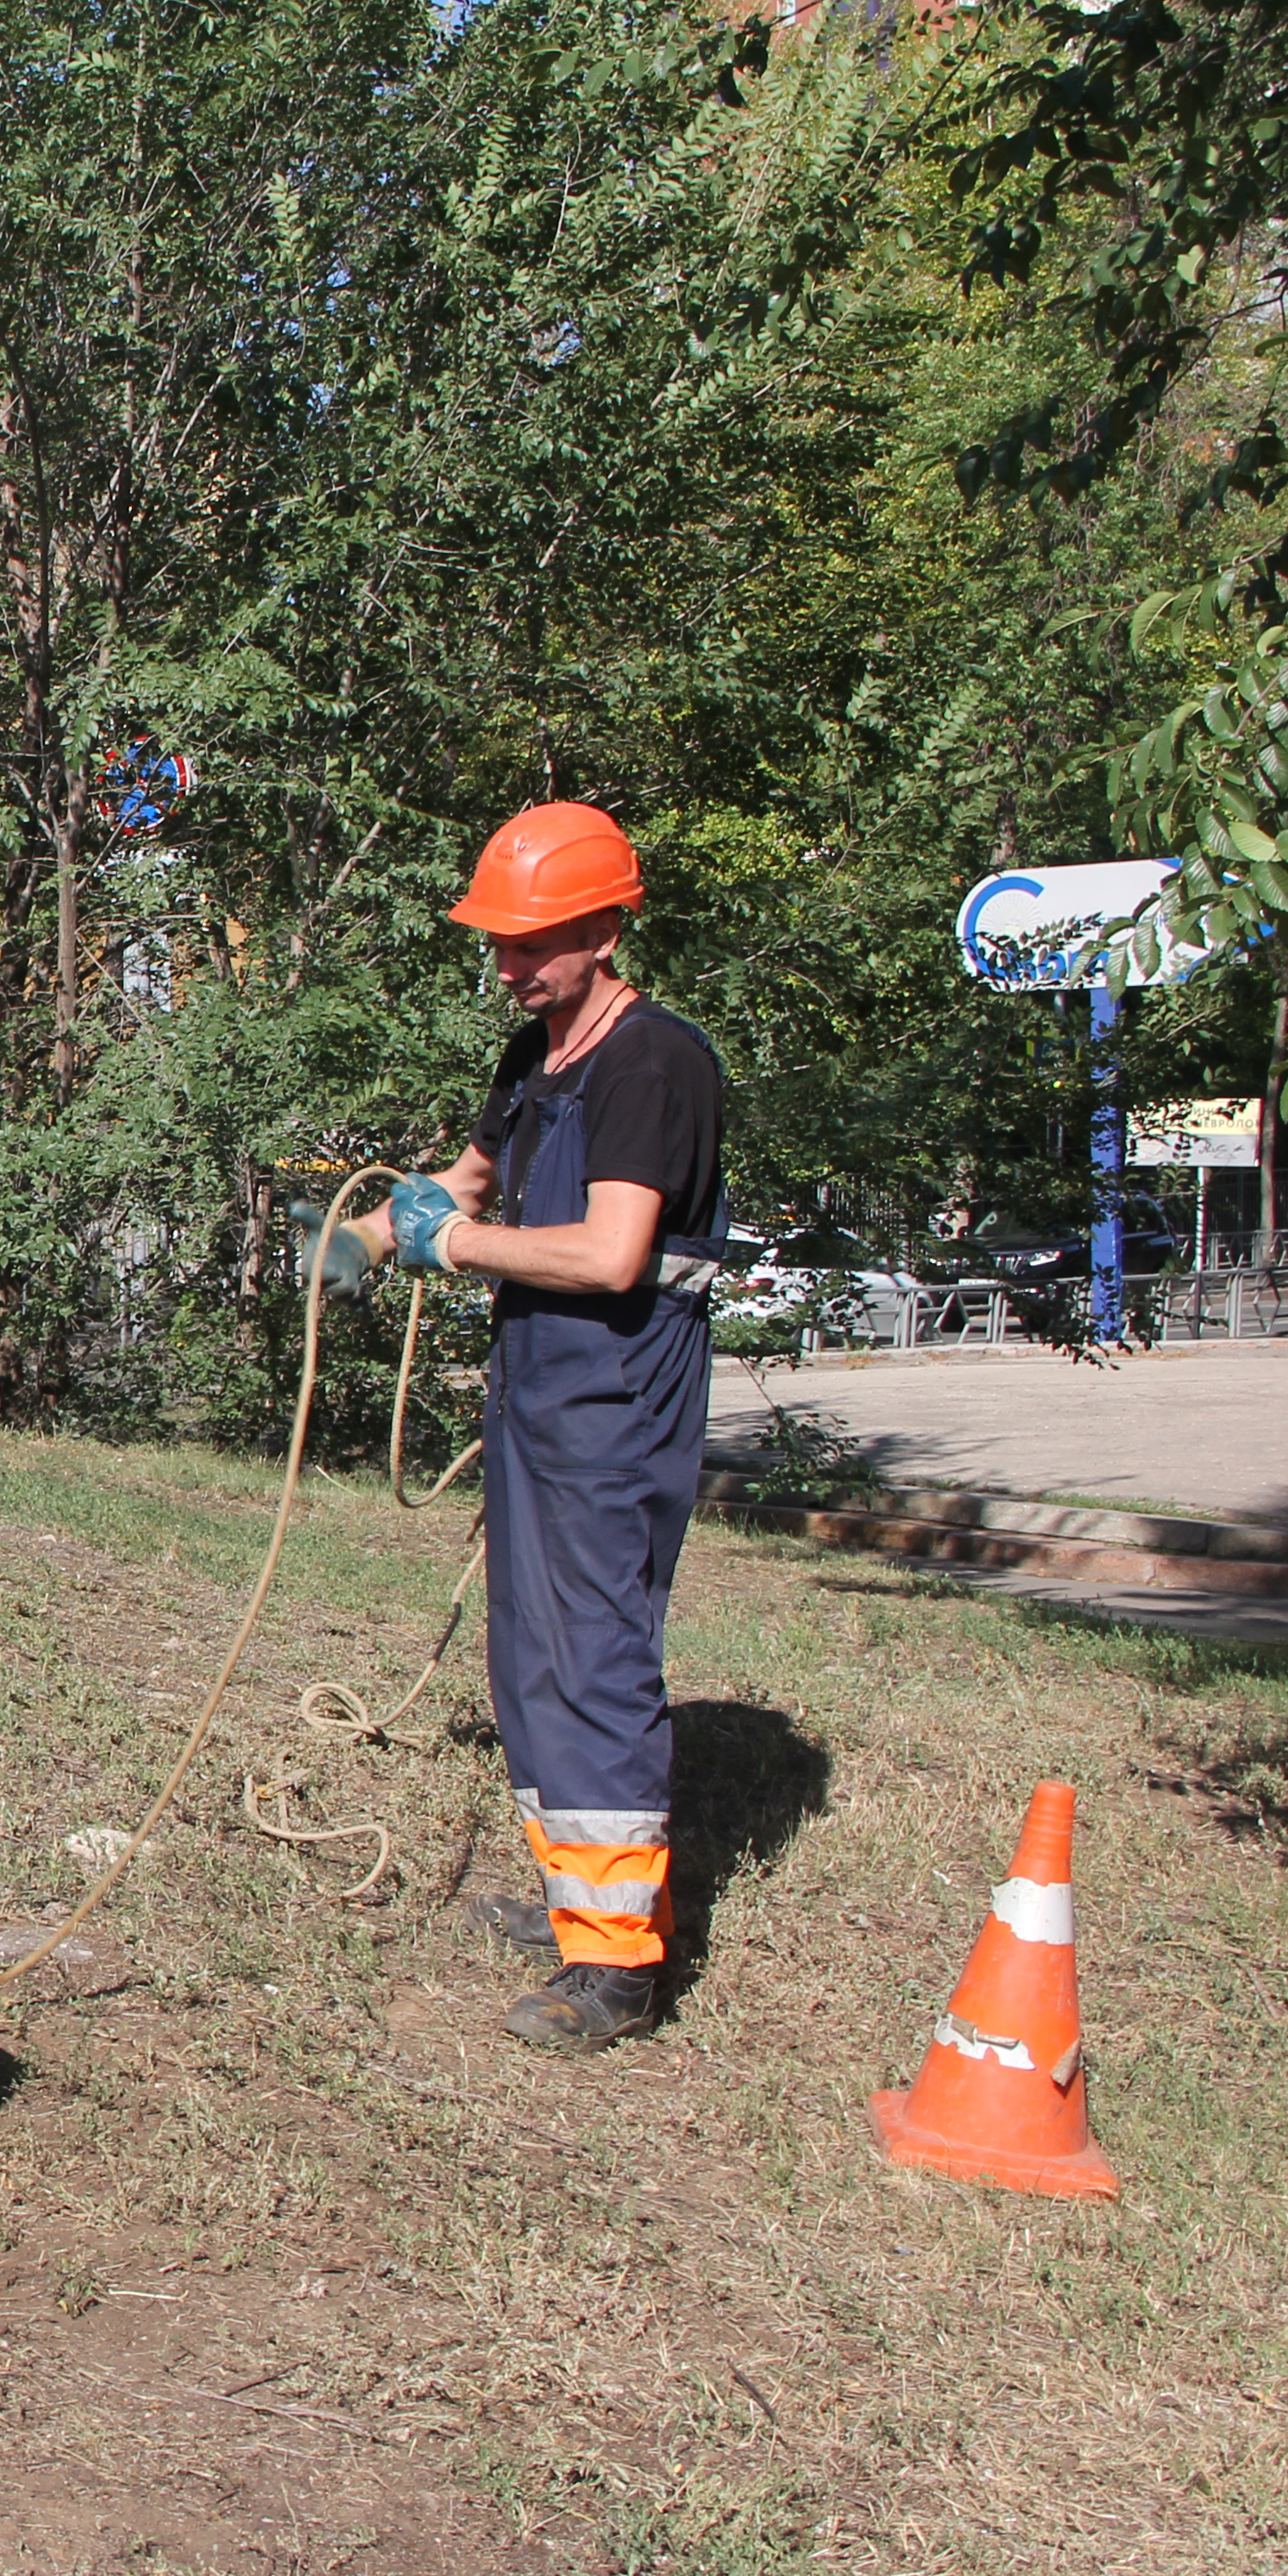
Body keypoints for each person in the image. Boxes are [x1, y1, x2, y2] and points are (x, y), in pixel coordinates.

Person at [342, 801, 729, 2051]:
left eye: (534, 943)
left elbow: (615, 1253)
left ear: (609, 926)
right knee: (529, 1656)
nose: (509, 967)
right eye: (498, 944)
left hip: (618, 1394)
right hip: (538, 1386)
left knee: (597, 1660)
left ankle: (621, 1968)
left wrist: (451, 1246)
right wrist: (367, 1235)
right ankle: (580, 1909)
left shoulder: (654, 1065)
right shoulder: (535, 1059)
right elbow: (465, 1183)